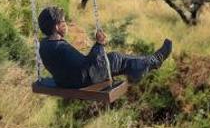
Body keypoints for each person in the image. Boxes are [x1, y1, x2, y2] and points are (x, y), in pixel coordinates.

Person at [37, 6, 172, 87]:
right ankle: (154, 61)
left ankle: (143, 64)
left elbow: (78, 65)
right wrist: (99, 44)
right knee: (115, 58)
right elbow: (87, 68)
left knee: (114, 59)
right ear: (56, 26)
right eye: (63, 22)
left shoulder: (44, 45)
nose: (66, 25)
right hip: (80, 82)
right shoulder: (61, 48)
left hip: (64, 81)